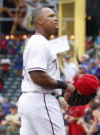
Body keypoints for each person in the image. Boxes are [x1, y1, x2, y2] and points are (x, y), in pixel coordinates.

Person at [17, 7, 75, 135]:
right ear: (39, 20)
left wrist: (58, 96)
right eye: (51, 16)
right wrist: (65, 86)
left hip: (32, 100)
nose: (55, 19)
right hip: (41, 101)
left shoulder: (39, 42)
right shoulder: (39, 43)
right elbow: (37, 76)